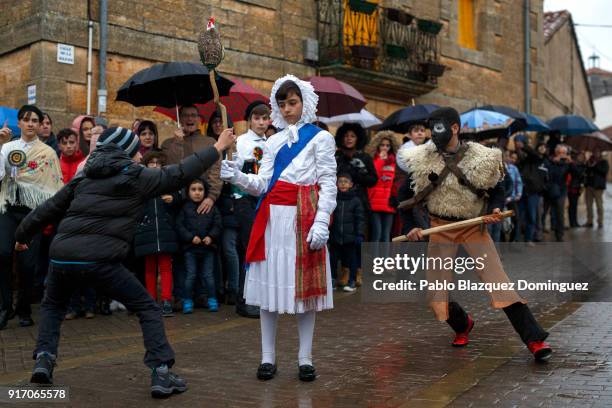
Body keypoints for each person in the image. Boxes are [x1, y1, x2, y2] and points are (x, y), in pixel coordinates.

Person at [14, 125, 235, 398]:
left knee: (53, 306)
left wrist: (22, 235)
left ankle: (44, 359)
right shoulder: (136, 177)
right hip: (101, 260)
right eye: (136, 151)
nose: (140, 157)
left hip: (63, 257)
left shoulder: (83, 178)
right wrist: (216, 148)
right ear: (127, 152)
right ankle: (161, 373)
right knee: (147, 307)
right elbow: (179, 174)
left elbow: (47, 209)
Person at [401, 107, 552, 362]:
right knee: (435, 292)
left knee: (499, 283)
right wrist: (412, 226)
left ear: (455, 128)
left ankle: (534, 340)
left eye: (439, 127)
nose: (433, 133)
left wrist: (496, 207)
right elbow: (404, 198)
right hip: (440, 227)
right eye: (432, 128)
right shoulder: (421, 158)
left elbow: (498, 189)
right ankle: (462, 325)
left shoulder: (481, 157)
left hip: (473, 226)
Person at [220, 74, 337, 381]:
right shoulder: (271, 142)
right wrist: (236, 176)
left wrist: (322, 220)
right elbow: (261, 185)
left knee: (304, 293)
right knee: (270, 290)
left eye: (293, 102)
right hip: (273, 221)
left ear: (305, 103)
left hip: (305, 219)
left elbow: (327, 183)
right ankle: (267, 357)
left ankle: (305, 357)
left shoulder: (321, 138)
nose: (287, 109)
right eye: (282, 103)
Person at [0, 105, 64, 329]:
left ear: (39, 125)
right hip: (8, 208)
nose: (30, 123)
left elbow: (55, 185)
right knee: (3, 254)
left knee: (28, 265)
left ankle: (24, 308)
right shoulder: (7, 147)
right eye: (25, 119)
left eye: (34, 120)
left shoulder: (47, 153)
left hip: (32, 213)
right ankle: (4, 307)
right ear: (18, 123)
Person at [231, 101, 270, 316]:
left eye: (265, 118)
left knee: (262, 250)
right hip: (244, 200)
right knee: (249, 249)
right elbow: (233, 172)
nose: (261, 122)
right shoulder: (241, 142)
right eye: (257, 118)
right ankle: (244, 300)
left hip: (263, 200)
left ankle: (259, 297)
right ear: (249, 120)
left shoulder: (271, 143)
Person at [134, 151, 179, 317]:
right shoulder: (141, 184)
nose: (154, 165)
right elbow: (135, 205)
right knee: (149, 269)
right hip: (147, 232)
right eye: (151, 162)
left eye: (157, 163)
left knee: (166, 268)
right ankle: (151, 301)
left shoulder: (167, 182)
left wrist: (173, 199)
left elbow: (179, 197)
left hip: (165, 231)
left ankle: (167, 300)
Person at [176, 179, 222, 313]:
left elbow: (218, 224)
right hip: (190, 249)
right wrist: (190, 237)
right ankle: (187, 301)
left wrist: (211, 237)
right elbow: (180, 226)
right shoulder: (184, 208)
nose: (197, 193)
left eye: (200, 190)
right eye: (193, 189)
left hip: (208, 249)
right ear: (188, 191)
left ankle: (212, 299)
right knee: (191, 275)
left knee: (208, 276)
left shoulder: (211, 208)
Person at [329, 173, 365, 291]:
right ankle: (333, 279)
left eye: (346, 181)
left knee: (352, 260)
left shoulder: (356, 200)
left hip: (350, 237)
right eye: (340, 181)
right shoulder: (333, 199)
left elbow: (360, 218)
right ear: (336, 184)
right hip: (335, 236)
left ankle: (352, 281)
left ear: (351, 184)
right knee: (333, 260)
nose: (343, 184)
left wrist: (359, 234)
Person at [397, 123, 430, 235]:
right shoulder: (403, 152)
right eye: (416, 130)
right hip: (412, 195)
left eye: (422, 130)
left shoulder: (432, 150)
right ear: (410, 135)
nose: (420, 133)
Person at [366, 130, 398, 242]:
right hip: (374, 201)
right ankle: (374, 259)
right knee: (377, 234)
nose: (385, 148)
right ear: (377, 145)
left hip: (389, 202)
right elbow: (374, 175)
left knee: (386, 235)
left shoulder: (395, 162)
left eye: (388, 145)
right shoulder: (373, 160)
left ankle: (385, 260)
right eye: (382, 145)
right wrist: (380, 160)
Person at [515, 137, 548, 244]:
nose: (543, 149)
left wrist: (523, 146)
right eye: (541, 146)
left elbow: (532, 153)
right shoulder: (524, 160)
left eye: (544, 147)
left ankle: (528, 238)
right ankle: (516, 239)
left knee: (532, 217)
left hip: (533, 192)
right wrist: (520, 149)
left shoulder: (538, 158)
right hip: (522, 191)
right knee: (518, 216)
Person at [546, 144, 571, 241]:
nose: (562, 155)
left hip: (562, 191)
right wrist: (554, 162)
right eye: (560, 153)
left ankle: (559, 234)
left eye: (564, 153)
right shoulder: (551, 162)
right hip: (551, 190)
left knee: (560, 212)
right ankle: (549, 228)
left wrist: (571, 162)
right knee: (550, 212)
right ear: (556, 153)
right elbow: (550, 175)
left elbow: (577, 173)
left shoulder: (568, 163)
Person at [584, 150, 609, 228]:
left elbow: (604, 171)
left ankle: (600, 222)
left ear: (600, 153)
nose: (595, 153)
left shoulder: (604, 162)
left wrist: (595, 165)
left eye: (597, 152)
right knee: (588, 205)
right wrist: (588, 165)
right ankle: (589, 221)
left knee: (599, 205)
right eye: (594, 152)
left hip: (598, 187)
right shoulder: (589, 161)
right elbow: (586, 172)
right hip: (589, 186)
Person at [567, 151, 586, 228]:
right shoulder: (573, 164)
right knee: (572, 205)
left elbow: (583, 176)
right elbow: (577, 173)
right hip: (572, 187)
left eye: (582, 156)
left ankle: (574, 221)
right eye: (579, 156)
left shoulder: (583, 165)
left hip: (578, 187)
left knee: (574, 205)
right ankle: (572, 222)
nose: (581, 158)